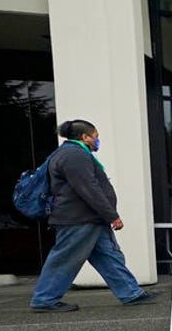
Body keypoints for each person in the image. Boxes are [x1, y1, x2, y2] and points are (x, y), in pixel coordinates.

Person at [29, 120, 158, 312]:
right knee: (65, 258)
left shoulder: (72, 153)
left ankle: (131, 292)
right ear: (85, 137)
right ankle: (44, 299)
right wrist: (112, 215)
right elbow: (89, 189)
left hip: (88, 218)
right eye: (95, 136)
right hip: (78, 219)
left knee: (109, 256)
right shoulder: (74, 155)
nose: (97, 140)